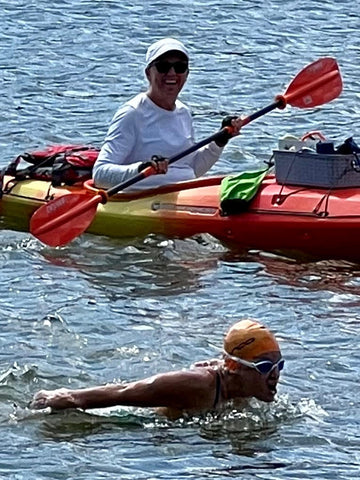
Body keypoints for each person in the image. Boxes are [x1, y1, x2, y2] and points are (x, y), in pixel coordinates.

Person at [30, 319, 284, 419]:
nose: (275, 375)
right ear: (235, 367)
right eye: (264, 366)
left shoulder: (244, 384)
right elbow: (122, 393)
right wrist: (68, 398)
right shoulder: (194, 385)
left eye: (278, 365)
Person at [92, 37, 243, 191]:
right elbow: (99, 175)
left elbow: (192, 169)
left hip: (184, 194)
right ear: (148, 73)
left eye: (179, 67)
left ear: (187, 74)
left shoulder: (184, 112)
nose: (172, 73)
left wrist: (219, 142)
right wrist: (142, 169)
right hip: (144, 199)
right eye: (163, 67)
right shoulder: (132, 113)